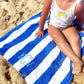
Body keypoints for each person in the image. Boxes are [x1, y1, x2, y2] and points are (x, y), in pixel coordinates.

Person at [35, 0, 84, 75]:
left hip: (67, 26)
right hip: (53, 25)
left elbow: (80, 18)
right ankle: (76, 60)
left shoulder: (78, 4)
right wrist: (41, 29)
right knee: (57, 38)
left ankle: (77, 65)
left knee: (75, 38)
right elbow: (44, 15)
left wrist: (79, 27)